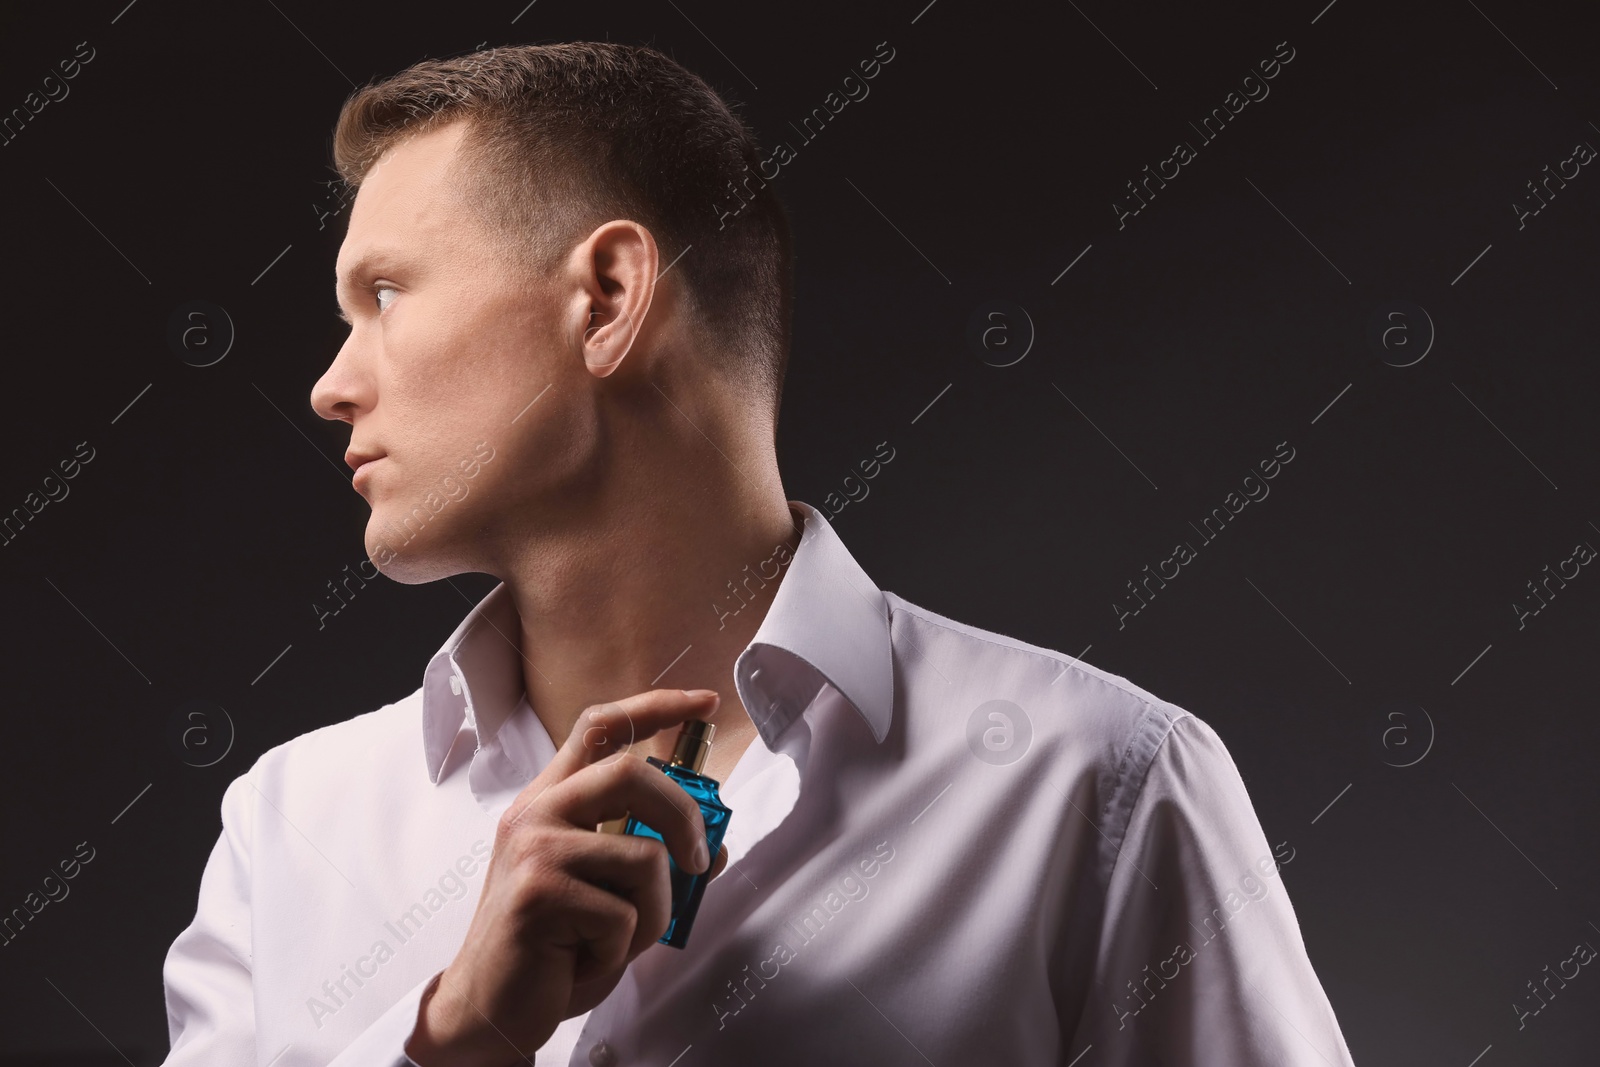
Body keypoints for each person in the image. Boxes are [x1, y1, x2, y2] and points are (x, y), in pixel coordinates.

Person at [160, 42, 1358, 1067]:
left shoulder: (1099, 786)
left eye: (384, 294)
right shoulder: (288, 825)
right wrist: (453, 1035)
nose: (329, 384)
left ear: (610, 296)